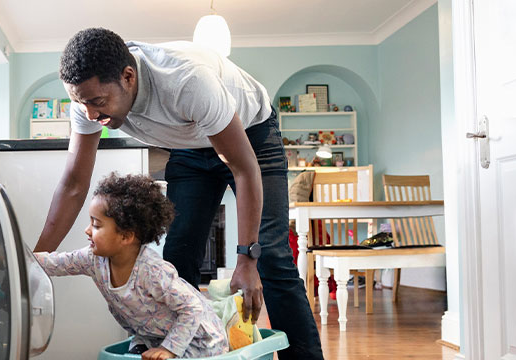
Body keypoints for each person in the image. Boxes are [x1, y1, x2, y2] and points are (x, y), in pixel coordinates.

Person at [33, 28, 323, 359]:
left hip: (250, 134)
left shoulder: (185, 81)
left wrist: (246, 258)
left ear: (129, 77)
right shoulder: (88, 102)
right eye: (80, 102)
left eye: (98, 102)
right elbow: (73, 184)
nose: (90, 115)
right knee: (178, 258)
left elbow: (244, 169)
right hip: (189, 146)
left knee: (271, 257)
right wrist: (34, 263)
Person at [34, 173, 229, 360]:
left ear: (126, 236)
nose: (87, 230)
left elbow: (192, 309)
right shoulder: (92, 259)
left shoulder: (153, 271)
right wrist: (13, 256)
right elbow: (55, 263)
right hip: (152, 337)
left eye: (96, 225)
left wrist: (168, 349)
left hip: (200, 341)